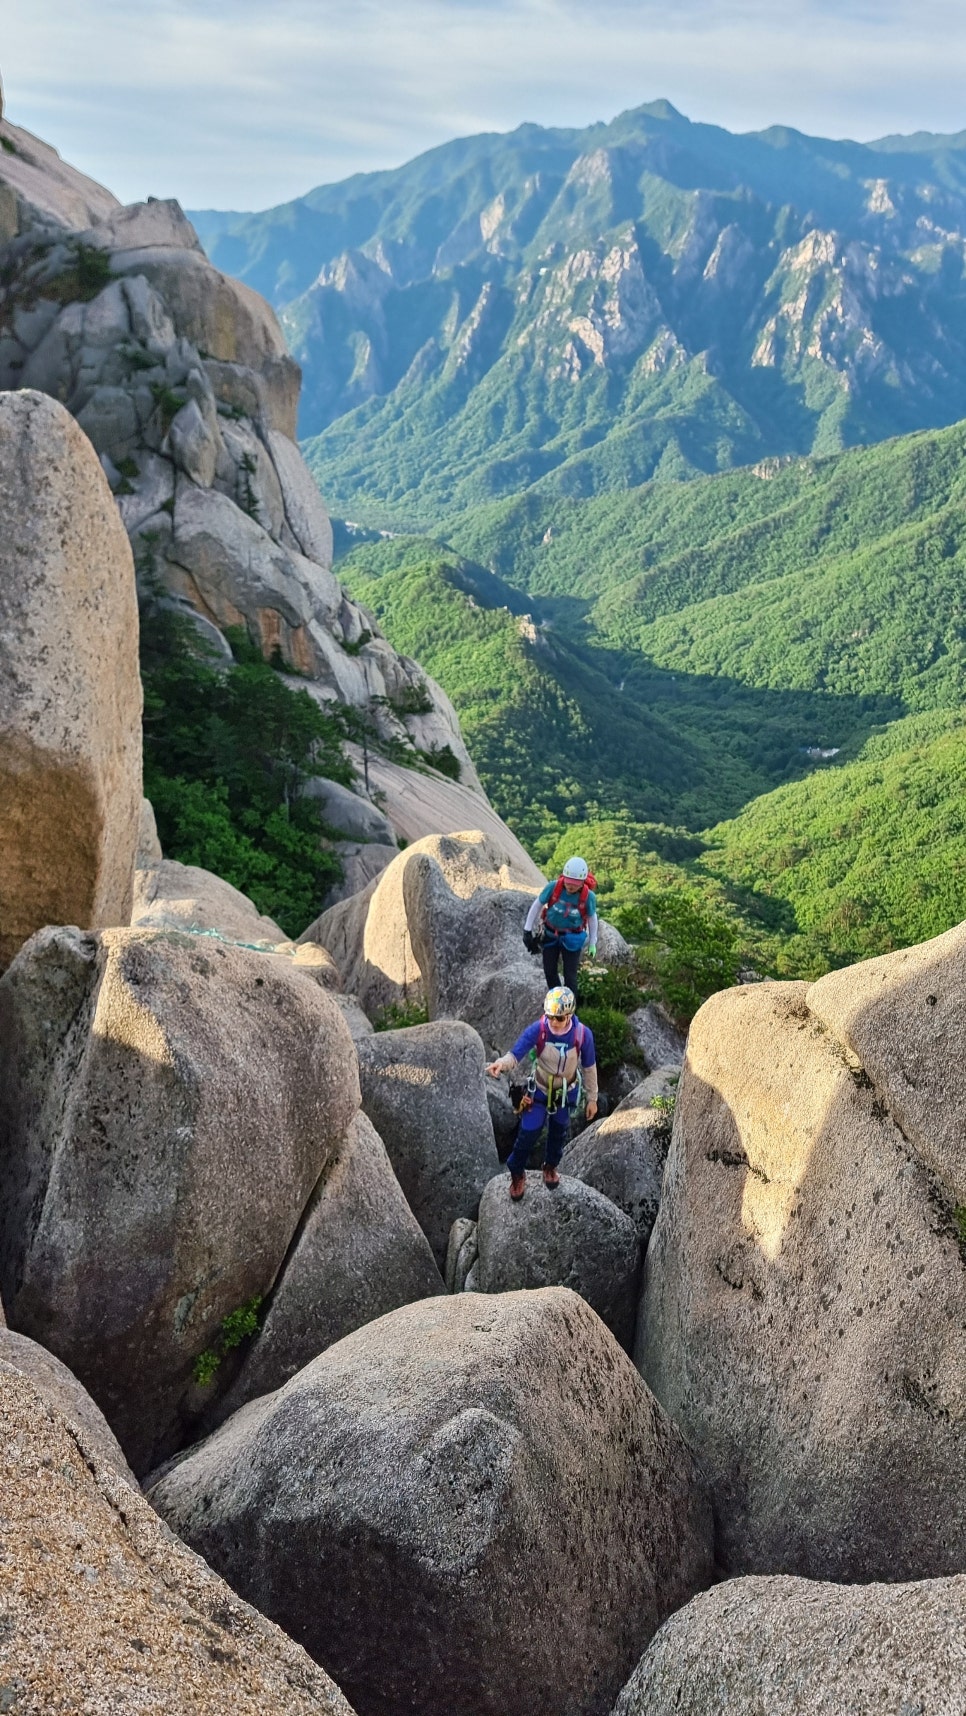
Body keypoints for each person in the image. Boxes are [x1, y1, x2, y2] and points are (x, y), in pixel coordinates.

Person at [486, 986, 598, 1200]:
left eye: (559, 1017)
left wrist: (592, 1098)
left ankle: (550, 1166)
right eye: (550, 1016)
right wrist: (501, 1064)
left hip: (566, 1093)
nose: (554, 1022)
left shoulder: (583, 1035)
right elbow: (516, 1053)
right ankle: (516, 1171)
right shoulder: (538, 1030)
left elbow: (589, 1067)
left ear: (569, 1015)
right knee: (528, 1131)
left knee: (558, 1131)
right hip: (539, 1090)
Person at [523, 856, 598, 1001]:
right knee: (550, 971)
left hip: (573, 938)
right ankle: (557, 1003)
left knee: (570, 976)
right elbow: (537, 905)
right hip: (551, 934)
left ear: (582, 882)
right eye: (569, 883)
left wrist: (593, 941)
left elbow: (592, 918)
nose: (571, 887)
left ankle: (570, 1010)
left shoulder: (588, 897)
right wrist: (527, 930)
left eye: (575, 884)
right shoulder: (554, 887)